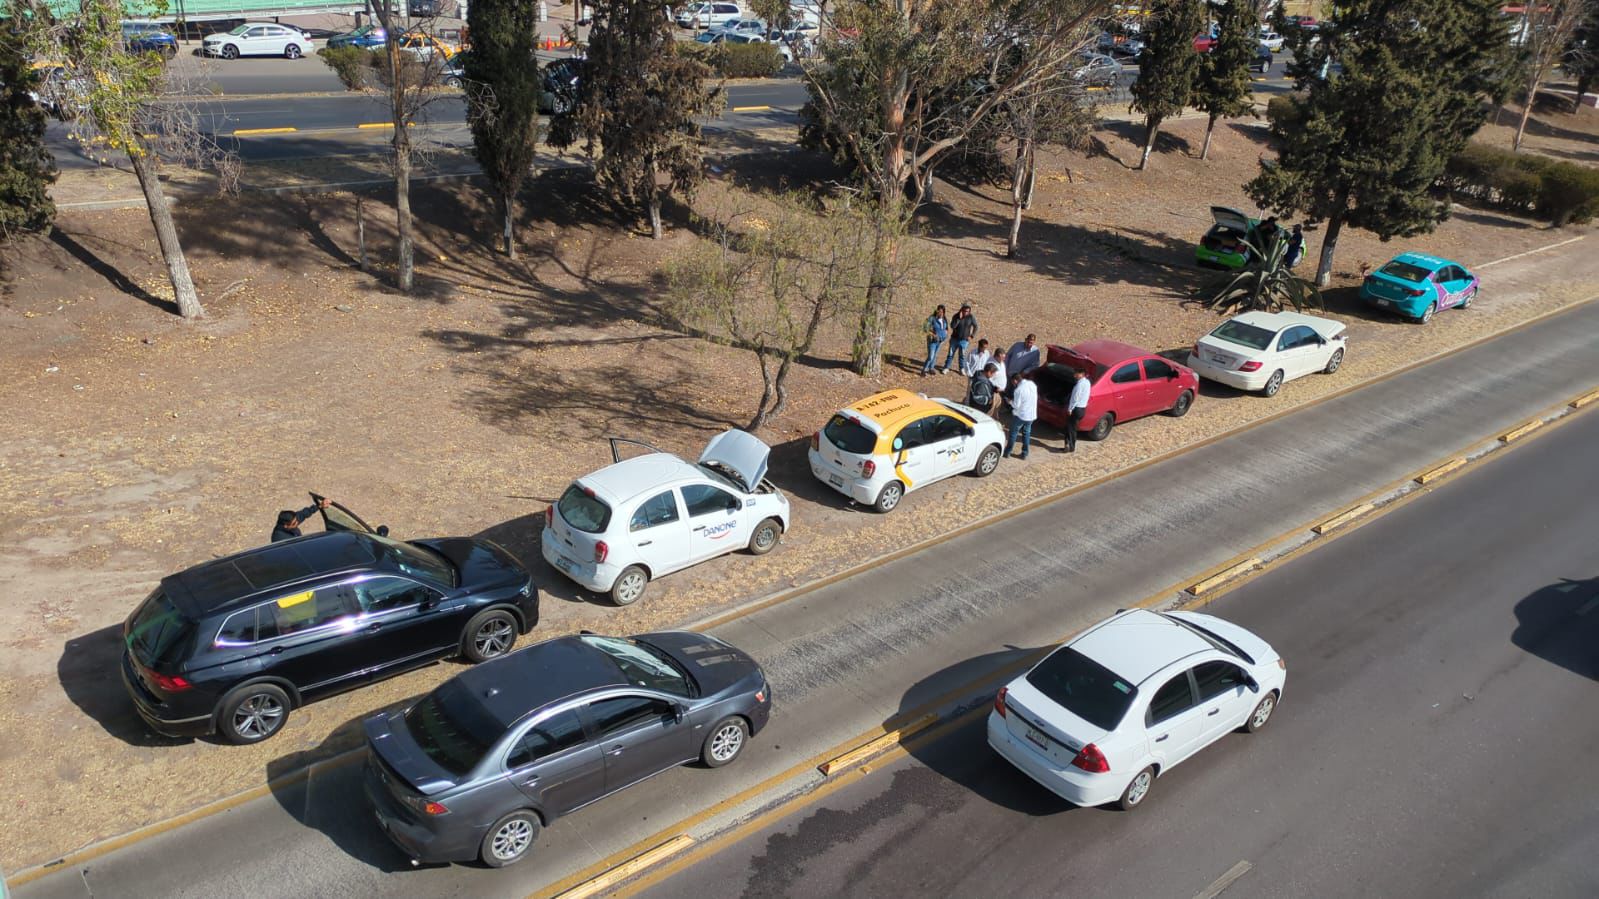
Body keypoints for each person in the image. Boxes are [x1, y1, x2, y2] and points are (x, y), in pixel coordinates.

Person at [1004, 375, 1038, 460]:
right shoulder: (1032, 384)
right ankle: (1024, 453)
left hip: (1021, 415)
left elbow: (1016, 405)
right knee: (1026, 434)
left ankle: (1007, 452)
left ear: (1015, 381)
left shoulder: (1018, 390)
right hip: (1031, 415)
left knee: (1013, 434)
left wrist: (1009, 402)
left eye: (1013, 382)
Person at [942, 303, 979, 374]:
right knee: (950, 354)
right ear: (961, 310)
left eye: (967, 311)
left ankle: (961, 368)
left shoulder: (971, 317)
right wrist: (959, 318)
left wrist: (972, 336)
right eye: (964, 311)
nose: (966, 313)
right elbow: (953, 326)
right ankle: (946, 367)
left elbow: (976, 326)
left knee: (962, 355)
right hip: (954, 339)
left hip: (964, 340)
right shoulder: (956, 316)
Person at [1064, 367, 1090, 453]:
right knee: (1071, 427)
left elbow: (1075, 398)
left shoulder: (1079, 384)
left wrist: (1070, 408)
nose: (1074, 375)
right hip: (1082, 409)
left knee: (1071, 428)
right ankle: (1067, 445)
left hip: (1076, 408)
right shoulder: (1087, 382)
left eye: (1076, 373)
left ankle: (1070, 447)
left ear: (1081, 374)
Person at [921, 305, 948, 376]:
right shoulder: (932, 318)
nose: (941, 313)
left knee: (935, 355)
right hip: (932, 341)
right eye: (939, 311)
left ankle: (931, 368)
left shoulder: (944, 319)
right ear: (937, 311)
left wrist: (945, 334)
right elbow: (925, 328)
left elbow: (946, 328)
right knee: (931, 356)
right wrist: (933, 335)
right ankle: (924, 370)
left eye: (942, 312)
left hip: (940, 340)